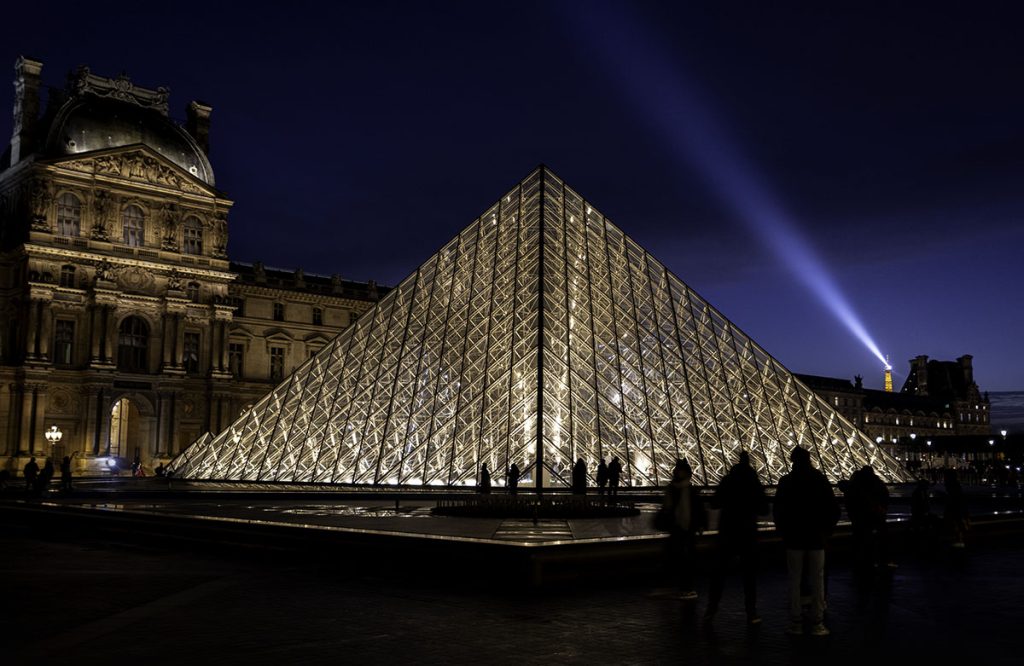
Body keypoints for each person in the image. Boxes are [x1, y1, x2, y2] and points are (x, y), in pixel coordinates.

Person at [773, 446, 840, 637]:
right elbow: (833, 509)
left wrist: (784, 533)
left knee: (794, 580)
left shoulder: (786, 481)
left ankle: (796, 622)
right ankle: (818, 621)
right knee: (818, 580)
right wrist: (826, 532)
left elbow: (779, 511)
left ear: (793, 460)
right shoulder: (819, 479)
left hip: (794, 538)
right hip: (816, 538)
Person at [705, 451, 768, 625]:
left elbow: (715, 503)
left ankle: (711, 609)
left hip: (727, 532)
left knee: (719, 574)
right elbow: (764, 509)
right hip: (747, 533)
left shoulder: (727, 480)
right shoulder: (753, 482)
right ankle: (751, 612)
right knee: (749, 576)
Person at [663, 458, 704, 600]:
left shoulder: (688, 490)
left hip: (685, 528)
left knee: (683, 558)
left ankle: (684, 587)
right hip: (679, 527)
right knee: (681, 557)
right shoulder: (675, 489)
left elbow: (698, 509)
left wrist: (699, 524)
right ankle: (681, 586)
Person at [844, 465, 893, 572]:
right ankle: (880, 560)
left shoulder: (856, 485)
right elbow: (885, 497)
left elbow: (849, 500)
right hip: (876, 516)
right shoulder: (878, 483)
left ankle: (862, 561)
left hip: (860, 517)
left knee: (861, 539)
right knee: (878, 539)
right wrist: (882, 509)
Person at [943, 468, 969, 548]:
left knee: (956, 523)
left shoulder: (953, 487)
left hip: (954, 510)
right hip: (956, 509)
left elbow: (955, 499)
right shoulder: (956, 486)